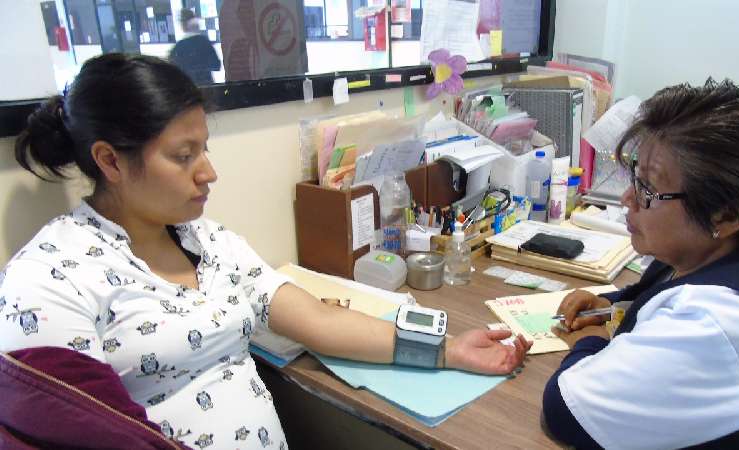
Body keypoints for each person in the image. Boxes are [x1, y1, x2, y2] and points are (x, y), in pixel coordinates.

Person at [0, 53, 530, 449]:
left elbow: (318, 320)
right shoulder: (49, 278)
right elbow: (81, 430)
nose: (208, 173)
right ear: (110, 162)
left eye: (203, 148)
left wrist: (446, 350)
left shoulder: (206, 240)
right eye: (183, 156)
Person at [541, 79, 739, 449]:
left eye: (648, 188)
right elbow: (667, 284)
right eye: (634, 175)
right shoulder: (725, 250)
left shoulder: (717, 323)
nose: (628, 198)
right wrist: (614, 308)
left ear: (726, 215)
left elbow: (566, 410)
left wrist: (591, 340)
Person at [168, 8, 220, 85]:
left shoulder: (178, 47)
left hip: (188, 89)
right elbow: (216, 65)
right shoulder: (204, 42)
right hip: (207, 87)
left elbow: (172, 71)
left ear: (183, 24)